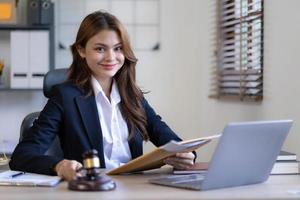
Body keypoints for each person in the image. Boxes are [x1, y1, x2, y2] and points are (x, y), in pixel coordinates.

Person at [9, 10, 195, 181]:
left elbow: (170, 140)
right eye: (100, 49)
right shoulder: (64, 96)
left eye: (118, 48)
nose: (111, 57)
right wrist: (59, 165)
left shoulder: (133, 96)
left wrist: (186, 155)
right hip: (91, 190)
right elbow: (22, 156)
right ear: (81, 50)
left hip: (135, 189)